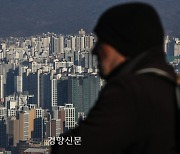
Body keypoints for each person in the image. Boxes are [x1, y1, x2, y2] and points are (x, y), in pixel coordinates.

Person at [51, 2, 179, 154]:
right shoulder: (170, 84)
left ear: (123, 43)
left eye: (102, 41)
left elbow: (75, 147)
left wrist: (60, 140)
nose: (94, 50)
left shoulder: (129, 91)